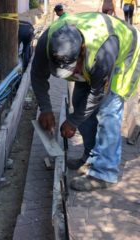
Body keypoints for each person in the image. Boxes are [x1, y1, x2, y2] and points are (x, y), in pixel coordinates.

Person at [31, 12, 140, 191]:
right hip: (93, 62)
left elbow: (96, 94)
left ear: (81, 51)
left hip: (125, 53)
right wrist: (45, 108)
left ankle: (105, 173)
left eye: (72, 69)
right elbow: (36, 75)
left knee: (108, 111)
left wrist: (73, 121)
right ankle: (91, 157)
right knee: (79, 100)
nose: (72, 74)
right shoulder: (48, 41)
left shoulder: (102, 54)